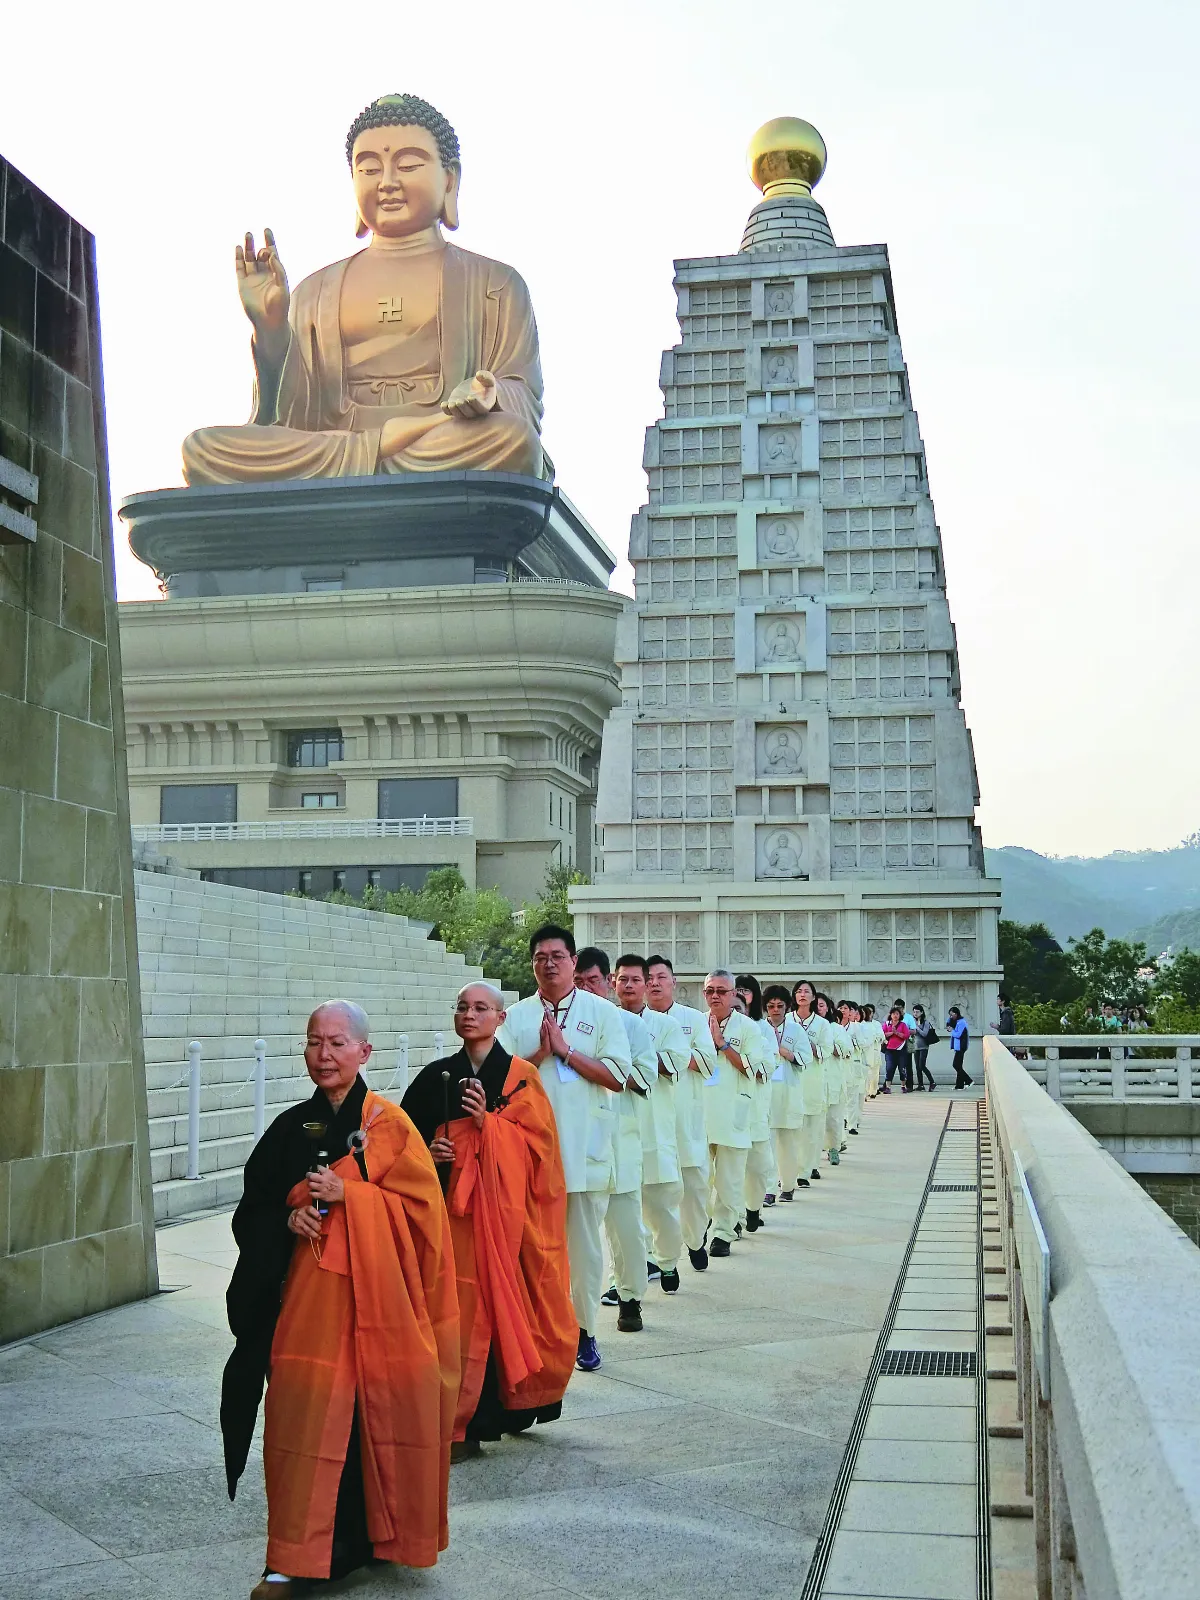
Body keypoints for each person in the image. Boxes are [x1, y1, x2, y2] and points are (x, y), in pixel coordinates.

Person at [222, 1002, 460, 1599]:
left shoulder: (391, 1127)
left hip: (380, 1308)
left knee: (372, 1421)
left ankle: (376, 1539)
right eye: (314, 1043)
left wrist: (352, 1196)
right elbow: (251, 1213)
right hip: (308, 1315)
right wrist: (289, 1219)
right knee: (302, 1425)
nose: (323, 1055)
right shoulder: (287, 1130)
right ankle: (290, 1559)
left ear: (363, 1052)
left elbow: (425, 1216)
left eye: (336, 1043)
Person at [183, 94, 544, 484]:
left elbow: (522, 396)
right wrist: (270, 330)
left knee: (512, 441)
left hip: (443, 440)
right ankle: (380, 453)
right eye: (369, 169)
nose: (387, 182)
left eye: (408, 165)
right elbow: (288, 417)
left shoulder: (494, 283)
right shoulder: (314, 292)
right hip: (336, 447)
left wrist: (488, 391)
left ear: (450, 179)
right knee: (201, 449)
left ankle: (381, 455)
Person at [401, 983, 576, 1460]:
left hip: (506, 1224)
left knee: (502, 1309)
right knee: (457, 1317)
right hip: (452, 1223)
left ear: (501, 1019)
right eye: (462, 1007)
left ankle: (502, 1410)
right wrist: (431, 1153)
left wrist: (489, 1128)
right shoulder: (435, 1078)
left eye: (481, 1008)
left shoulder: (521, 1077)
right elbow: (400, 1145)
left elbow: (541, 1154)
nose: (469, 1014)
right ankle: (460, 1424)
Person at [496, 925, 632, 1374]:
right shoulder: (515, 1017)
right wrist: (539, 1054)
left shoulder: (602, 1012)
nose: (549, 964)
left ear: (574, 962)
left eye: (557, 956)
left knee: (584, 1250)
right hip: (529, 1154)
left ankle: (584, 1330)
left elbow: (617, 1077)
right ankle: (541, 1332)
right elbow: (498, 1082)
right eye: (540, 957)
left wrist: (566, 1051)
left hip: (585, 1150)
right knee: (533, 1251)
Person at [575, 947, 654, 1335]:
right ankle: (580, 1318)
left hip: (620, 1140)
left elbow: (645, 1077)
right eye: (578, 981)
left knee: (627, 1231)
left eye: (593, 980)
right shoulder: (563, 1027)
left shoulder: (630, 1025)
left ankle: (630, 1297)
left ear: (607, 982)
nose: (586, 988)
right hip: (579, 1143)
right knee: (582, 1237)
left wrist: (604, 1070)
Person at [613, 955, 691, 1293]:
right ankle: (625, 1279)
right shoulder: (606, 1021)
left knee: (661, 1206)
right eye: (623, 979)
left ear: (646, 984)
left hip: (654, 1124)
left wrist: (639, 1054)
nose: (629, 986)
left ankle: (668, 1260)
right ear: (613, 983)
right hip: (617, 1125)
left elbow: (678, 1061)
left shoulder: (665, 1025)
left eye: (635, 980)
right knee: (623, 1213)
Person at [646, 955, 717, 1271]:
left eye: (661, 977)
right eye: (649, 978)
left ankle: (695, 1239)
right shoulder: (634, 1021)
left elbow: (708, 1063)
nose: (655, 983)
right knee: (653, 1195)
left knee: (695, 1191)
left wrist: (673, 1055)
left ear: (673, 982)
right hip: (650, 1119)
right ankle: (659, 1259)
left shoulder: (693, 1019)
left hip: (687, 1118)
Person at [702, 970, 772, 1256]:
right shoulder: (696, 1023)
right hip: (701, 1110)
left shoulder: (748, 1028)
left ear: (733, 995)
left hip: (734, 1111)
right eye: (710, 991)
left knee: (729, 1180)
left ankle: (723, 1233)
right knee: (699, 1179)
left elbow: (752, 1068)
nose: (715, 996)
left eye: (721, 991)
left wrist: (722, 1044)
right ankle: (702, 1224)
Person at [763, 984, 814, 1199]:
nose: (775, 1010)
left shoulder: (795, 1030)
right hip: (766, 1093)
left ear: (787, 1007)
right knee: (766, 1145)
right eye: (771, 1006)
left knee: (789, 1144)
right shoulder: (758, 1028)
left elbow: (806, 1057)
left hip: (789, 1092)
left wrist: (786, 1053)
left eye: (780, 1006)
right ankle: (768, 1190)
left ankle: (788, 1185)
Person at [737, 973, 778, 1225]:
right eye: (737, 989)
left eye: (746, 990)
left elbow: (766, 1069)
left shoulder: (763, 1029)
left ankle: (753, 1206)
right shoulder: (713, 1026)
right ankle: (733, 1218)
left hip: (755, 1102)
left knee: (757, 1164)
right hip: (725, 1106)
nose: (741, 994)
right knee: (728, 1169)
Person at [792, 980, 834, 1175]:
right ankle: (790, 1171)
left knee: (812, 1127)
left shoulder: (822, 1024)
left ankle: (808, 1168)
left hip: (813, 1078)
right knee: (791, 1128)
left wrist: (807, 1044)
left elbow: (827, 1050)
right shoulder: (787, 1020)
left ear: (813, 997)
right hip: (790, 1078)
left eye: (806, 991)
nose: (802, 994)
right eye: (799, 991)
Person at [883, 1006, 912, 1092]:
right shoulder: (887, 1024)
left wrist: (897, 1033)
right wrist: (892, 1033)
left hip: (901, 1050)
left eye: (897, 1014)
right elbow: (882, 1034)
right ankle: (888, 1087)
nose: (895, 1015)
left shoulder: (903, 1025)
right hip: (889, 1050)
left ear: (900, 1015)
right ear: (890, 1015)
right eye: (893, 1014)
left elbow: (906, 1035)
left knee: (902, 1069)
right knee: (889, 1068)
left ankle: (903, 1086)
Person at [911, 1004, 937, 1091]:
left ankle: (932, 1082)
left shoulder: (925, 1022)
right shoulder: (913, 1022)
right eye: (914, 1012)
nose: (915, 1014)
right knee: (917, 1067)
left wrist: (916, 1027)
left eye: (917, 1012)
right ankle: (920, 1085)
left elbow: (924, 1034)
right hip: (916, 1046)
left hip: (924, 1047)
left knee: (922, 1065)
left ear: (921, 1012)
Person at [947, 1006, 973, 1088]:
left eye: (952, 1015)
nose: (951, 1017)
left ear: (956, 1014)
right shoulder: (957, 1021)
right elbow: (948, 1023)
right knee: (959, 1065)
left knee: (956, 1065)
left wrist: (952, 1030)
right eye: (950, 1015)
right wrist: (950, 1021)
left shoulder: (962, 1022)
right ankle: (959, 1085)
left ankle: (969, 1080)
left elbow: (958, 1035)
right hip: (957, 1046)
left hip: (961, 1046)